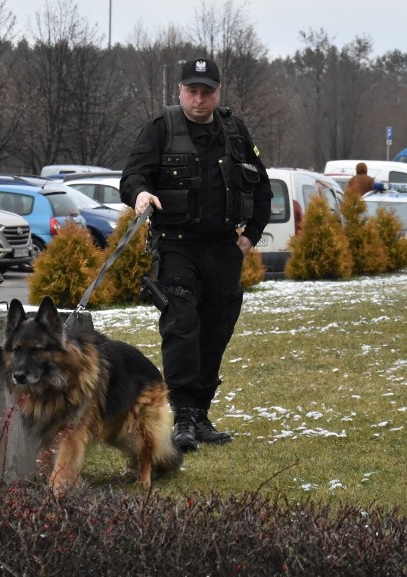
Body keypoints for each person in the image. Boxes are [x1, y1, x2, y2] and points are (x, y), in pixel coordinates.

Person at [120, 57, 273, 453]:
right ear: (180, 91)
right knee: (182, 325)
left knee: (217, 328)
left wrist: (249, 237)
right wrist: (140, 195)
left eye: (207, 91)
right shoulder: (161, 129)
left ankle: (200, 414)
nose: (199, 99)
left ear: (218, 92)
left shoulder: (234, 132)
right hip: (176, 245)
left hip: (223, 249)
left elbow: (262, 190)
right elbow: (132, 176)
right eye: (193, 90)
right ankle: (182, 415)